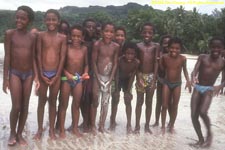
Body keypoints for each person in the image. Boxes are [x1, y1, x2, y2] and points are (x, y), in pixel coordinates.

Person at [3, 6, 39, 146]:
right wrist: (5, 78)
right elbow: (7, 57)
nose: (19, 20)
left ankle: (19, 134)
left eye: (22, 18)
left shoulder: (32, 36)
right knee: (16, 106)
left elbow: (34, 57)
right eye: (17, 17)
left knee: (25, 106)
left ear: (28, 20)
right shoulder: (9, 34)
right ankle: (12, 132)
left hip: (29, 74)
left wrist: (36, 76)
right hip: (15, 73)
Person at [34, 9, 67, 140]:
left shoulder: (63, 38)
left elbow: (62, 57)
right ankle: (39, 129)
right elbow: (38, 55)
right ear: (44, 21)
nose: (51, 22)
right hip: (43, 73)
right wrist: (41, 74)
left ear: (58, 21)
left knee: (53, 102)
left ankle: (52, 130)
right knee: (41, 101)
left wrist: (57, 75)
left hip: (56, 74)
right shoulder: (40, 35)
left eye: (54, 19)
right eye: (48, 19)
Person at [190, 37, 225, 147]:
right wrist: (193, 77)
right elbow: (195, 70)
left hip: (209, 89)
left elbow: (224, 79)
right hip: (198, 87)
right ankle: (200, 139)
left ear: (222, 48)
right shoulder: (202, 57)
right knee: (194, 115)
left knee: (203, 112)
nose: (215, 49)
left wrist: (220, 86)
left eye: (218, 47)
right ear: (209, 47)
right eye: (213, 47)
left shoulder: (223, 62)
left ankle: (209, 135)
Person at [58, 25, 89, 138]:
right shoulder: (66, 47)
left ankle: (75, 128)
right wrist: (66, 74)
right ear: (70, 36)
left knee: (76, 104)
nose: (76, 38)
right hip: (66, 79)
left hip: (78, 79)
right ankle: (61, 130)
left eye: (78, 36)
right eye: (74, 36)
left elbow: (86, 64)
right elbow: (60, 64)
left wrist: (85, 73)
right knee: (63, 104)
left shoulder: (84, 49)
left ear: (82, 37)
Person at [91, 22, 119, 134]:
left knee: (105, 102)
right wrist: (97, 78)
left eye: (111, 32)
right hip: (97, 76)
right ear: (102, 32)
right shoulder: (97, 44)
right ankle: (93, 125)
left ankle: (101, 125)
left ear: (114, 33)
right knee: (95, 100)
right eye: (106, 31)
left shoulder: (116, 46)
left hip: (108, 77)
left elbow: (115, 63)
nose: (108, 34)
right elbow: (93, 62)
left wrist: (111, 78)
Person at [160, 37, 192, 134]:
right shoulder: (164, 57)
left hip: (177, 84)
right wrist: (158, 61)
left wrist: (188, 81)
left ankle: (171, 125)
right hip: (166, 83)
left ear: (180, 49)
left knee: (175, 105)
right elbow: (161, 69)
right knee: (164, 105)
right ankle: (163, 126)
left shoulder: (183, 58)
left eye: (177, 48)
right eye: (172, 48)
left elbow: (185, 70)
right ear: (168, 48)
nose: (174, 50)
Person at [134, 22, 160, 134]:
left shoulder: (156, 46)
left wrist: (154, 80)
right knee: (139, 102)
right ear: (141, 33)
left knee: (149, 103)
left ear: (153, 34)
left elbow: (156, 63)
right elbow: (136, 63)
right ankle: (137, 126)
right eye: (145, 32)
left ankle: (147, 126)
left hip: (151, 76)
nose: (147, 34)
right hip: (140, 75)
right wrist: (138, 77)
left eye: (150, 32)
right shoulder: (138, 46)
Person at [110, 42, 140, 133]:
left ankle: (129, 124)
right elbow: (117, 74)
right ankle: (112, 121)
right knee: (115, 99)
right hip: (118, 79)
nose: (130, 56)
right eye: (128, 53)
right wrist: (116, 90)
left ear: (135, 54)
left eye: (132, 54)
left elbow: (132, 77)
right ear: (124, 53)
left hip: (128, 80)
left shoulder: (136, 62)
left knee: (128, 100)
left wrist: (128, 91)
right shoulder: (120, 60)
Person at [79, 18, 97, 132]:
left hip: (92, 74)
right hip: (79, 73)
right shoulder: (80, 41)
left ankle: (89, 123)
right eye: (88, 26)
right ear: (83, 27)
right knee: (80, 98)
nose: (90, 29)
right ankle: (85, 121)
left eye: (93, 27)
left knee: (89, 98)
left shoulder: (96, 43)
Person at [109, 26, 127, 130]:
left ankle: (129, 122)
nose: (120, 37)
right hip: (115, 77)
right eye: (117, 35)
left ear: (125, 37)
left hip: (126, 77)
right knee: (115, 98)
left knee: (127, 98)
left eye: (122, 35)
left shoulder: (128, 48)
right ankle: (112, 119)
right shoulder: (112, 47)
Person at [153, 35, 171, 127]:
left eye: (168, 43)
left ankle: (171, 123)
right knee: (158, 102)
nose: (166, 45)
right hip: (160, 80)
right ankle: (156, 121)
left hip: (170, 82)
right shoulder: (159, 53)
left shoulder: (173, 55)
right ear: (162, 44)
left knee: (169, 103)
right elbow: (158, 68)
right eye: (164, 43)